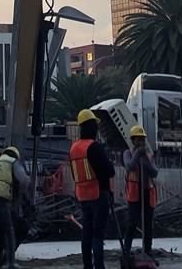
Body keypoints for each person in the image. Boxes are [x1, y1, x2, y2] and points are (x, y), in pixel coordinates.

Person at [69, 109, 115, 269]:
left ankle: (87, 265)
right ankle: (99, 266)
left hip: (83, 196)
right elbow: (109, 171)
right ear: (92, 127)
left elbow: (75, 174)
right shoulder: (94, 147)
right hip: (98, 194)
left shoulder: (74, 148)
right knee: (97, 234)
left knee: (86, 234)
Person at [122, 124, 158, 256]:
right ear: (133, 141)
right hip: (134, 194)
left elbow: (154, 173)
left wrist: (145, 161)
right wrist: (137, 154)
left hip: (148, 193)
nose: (141, 142)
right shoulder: (127, 153)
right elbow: (130, 166)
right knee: (132, 223)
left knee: (148, 225)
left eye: (142, 139)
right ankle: (126, 251)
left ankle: (147, 251)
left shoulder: (149, 155)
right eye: (138, 139)